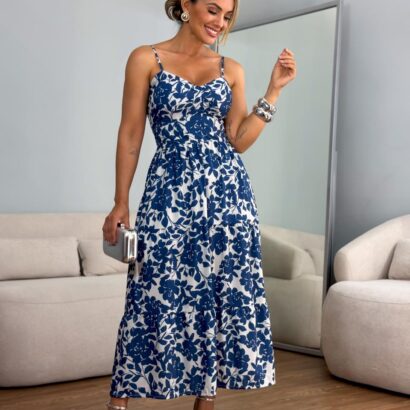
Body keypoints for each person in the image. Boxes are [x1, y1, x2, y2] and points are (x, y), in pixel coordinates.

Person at [102, 0, 296, 409]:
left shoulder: (231, 70)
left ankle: (205, 400)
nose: (219, 22)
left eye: (226, 16)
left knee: (218, 293)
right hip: (168, 194)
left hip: (229, 200)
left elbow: (238, 141)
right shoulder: (145, 59)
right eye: (212, 10)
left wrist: (273, 91)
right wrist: (121, 201)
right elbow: (131, 134)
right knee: (151, 290)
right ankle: (119, 402)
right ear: (185, 6)